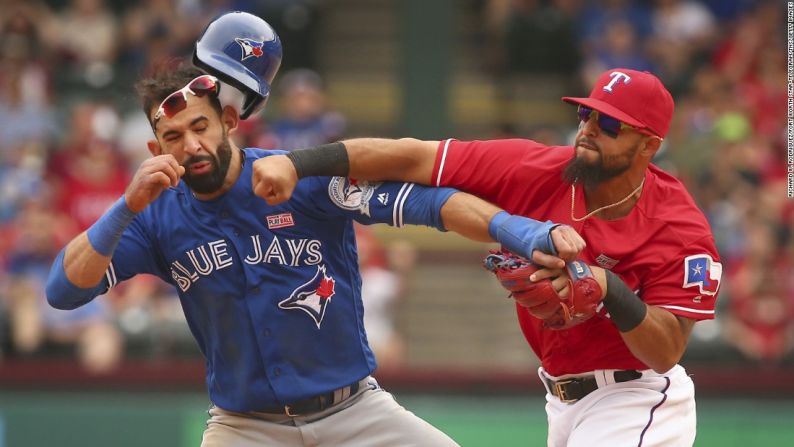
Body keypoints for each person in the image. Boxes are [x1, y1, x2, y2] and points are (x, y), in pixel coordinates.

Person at [45, 12, 586, 447]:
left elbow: (431, 205)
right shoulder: (153, 217)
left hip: (356, 414)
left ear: (229, 122)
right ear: (154, 149)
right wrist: (125, 206)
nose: (190, 145)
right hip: (244, 427)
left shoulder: (296, 177)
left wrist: (524, 233)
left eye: (200, 126)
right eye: (171, 136)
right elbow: (64, 291)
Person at [250, 68, 722, 446]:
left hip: (636, 397)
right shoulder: (534, 169)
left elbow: (665, 352)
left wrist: (608, 288)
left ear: (649, 145)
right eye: (586, 116)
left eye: (611, 125)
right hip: (561, 399)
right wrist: (298, 163)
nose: (590, 130)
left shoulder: (678, 227)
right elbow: (412, 157)